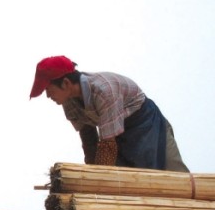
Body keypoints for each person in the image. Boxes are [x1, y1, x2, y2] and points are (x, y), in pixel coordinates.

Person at [29, 55, 189, 172]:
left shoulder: (104, 91)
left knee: (174, 173)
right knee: (125, 185)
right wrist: (89, 174)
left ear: (66, 83)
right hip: (116, 136)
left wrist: (98, 179)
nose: (48, 96)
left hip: (146, 126)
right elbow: (88, 137)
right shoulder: (69, 102)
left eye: (49, 90)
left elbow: (107, 146)